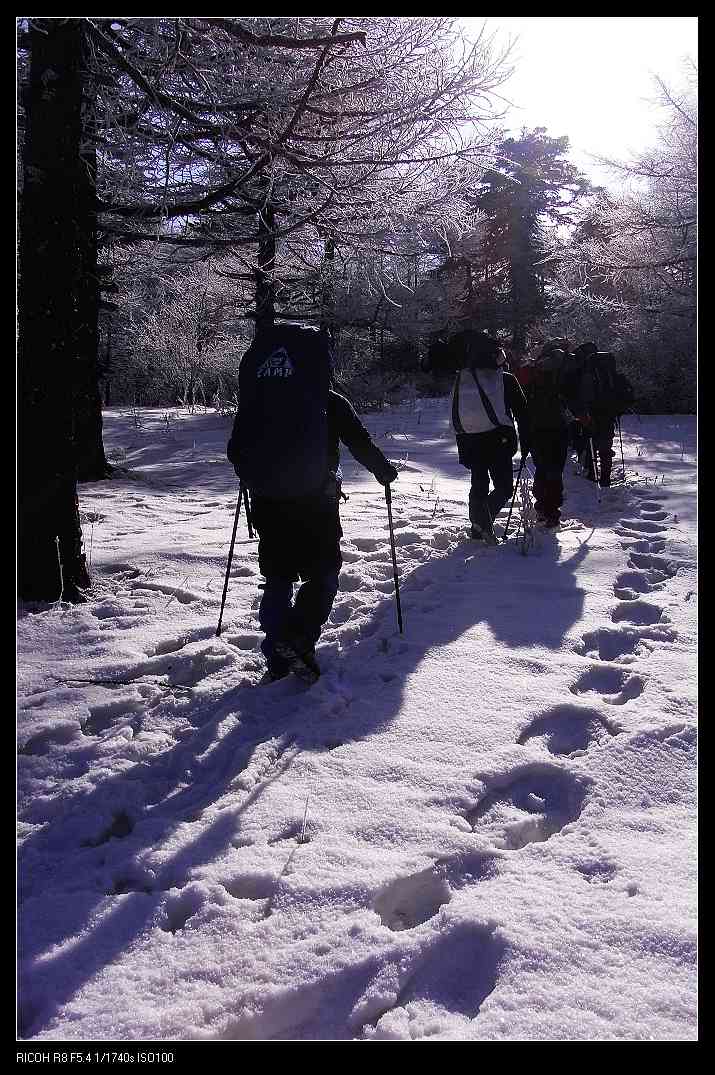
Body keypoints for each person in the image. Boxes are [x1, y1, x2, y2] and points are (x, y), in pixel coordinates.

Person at [227, 323, 398, 684]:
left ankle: (277, 653)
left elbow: (235, 450)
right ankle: (299, 637)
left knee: (278, 576)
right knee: (323, 574)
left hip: (267, 501)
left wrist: (255, 476)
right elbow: (359, 442)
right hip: (315, 503)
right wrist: (384, 472)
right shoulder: (328, 400)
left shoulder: (257, 400)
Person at [430, 328, 529, 543]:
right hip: (498, 438)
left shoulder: (461, 379)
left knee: (479, 483)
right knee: (503, 486)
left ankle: (477, 528)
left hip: (469, 439)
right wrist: (527, 440)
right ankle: (485, 518)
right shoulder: (506, 380)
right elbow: (523, 412)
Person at [516, 339, 571, 528]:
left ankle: (541, 508)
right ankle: (552, 513)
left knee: (541, 467)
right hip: (559, 426)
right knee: (556, 470)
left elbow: (520, 397)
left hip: (535, 427)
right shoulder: (564, 369)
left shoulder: (532, 369)